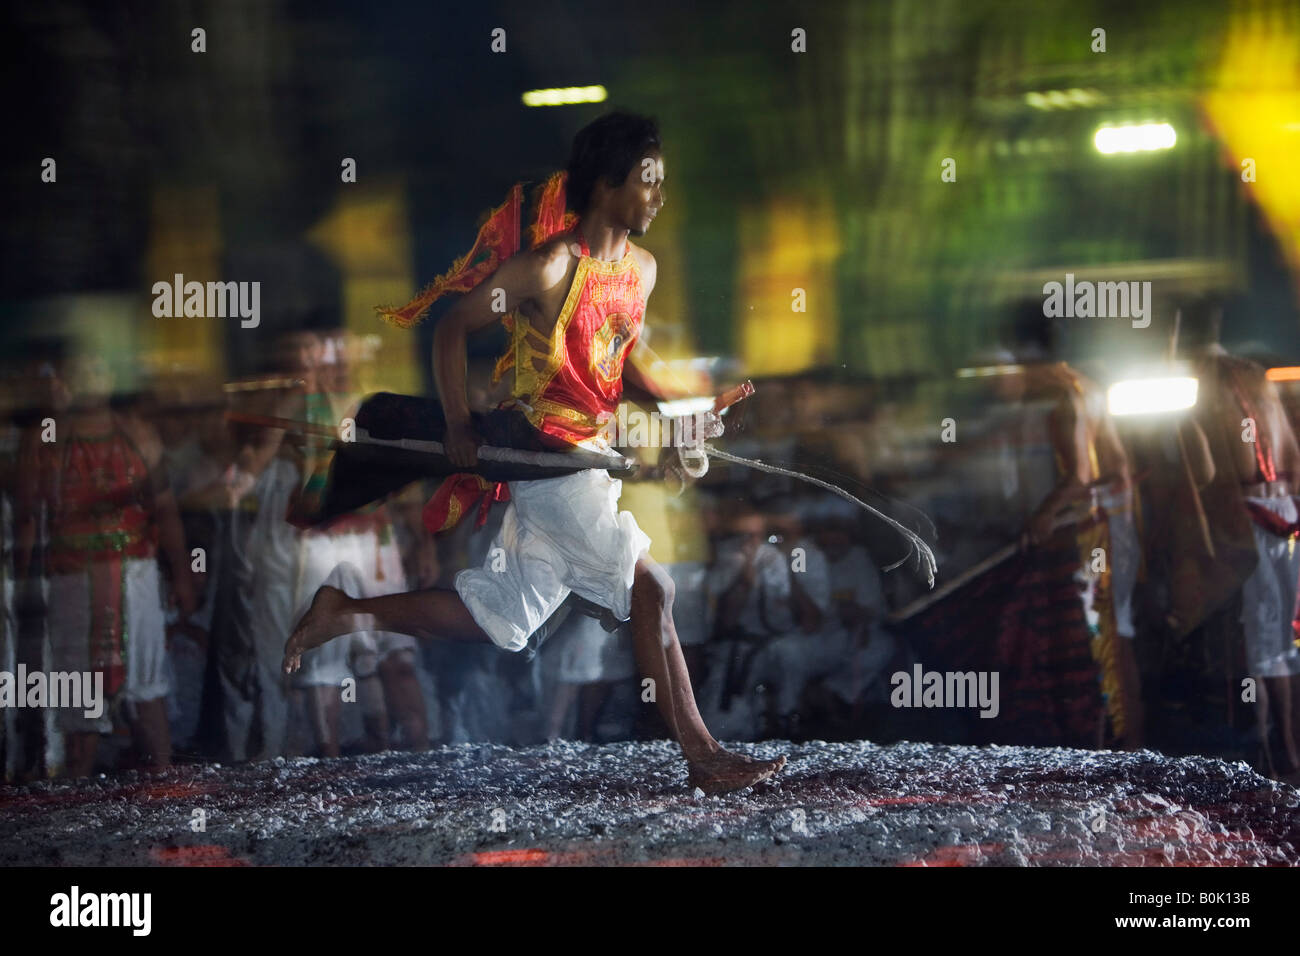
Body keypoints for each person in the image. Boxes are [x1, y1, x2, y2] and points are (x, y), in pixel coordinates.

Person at [283, 112, 785, 794]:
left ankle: (345, 611)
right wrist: (458, 422)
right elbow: (453, 329)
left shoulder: (643, 270)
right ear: (608, 185)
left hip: (587, 464)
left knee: (505, 616)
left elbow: (619, 358)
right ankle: (704, 757)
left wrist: (676, 412)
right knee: (652, 588)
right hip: (547, 465)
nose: (660, 197)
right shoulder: (546, 268)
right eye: (648, 181)